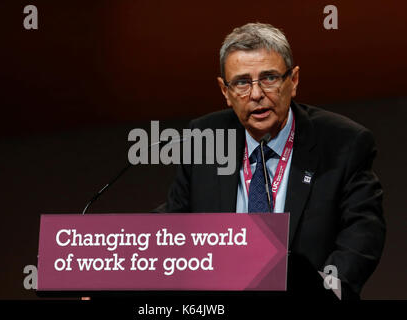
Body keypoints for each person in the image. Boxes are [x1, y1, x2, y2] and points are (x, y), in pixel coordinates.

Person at [163, 22, 386, 299]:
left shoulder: (343, 143)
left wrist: (324, 291)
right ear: (225, 91)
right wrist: (108, 261)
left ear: (292, 81)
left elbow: (363, 232)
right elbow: (172, 227)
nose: (256, 94)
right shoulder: (204, 138)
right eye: (242, 82)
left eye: (269, 78)